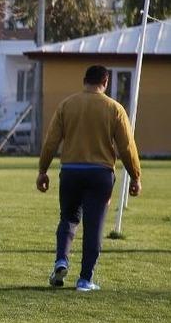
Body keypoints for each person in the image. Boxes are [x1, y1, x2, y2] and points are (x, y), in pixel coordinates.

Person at [37, 64, 142, 292]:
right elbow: (126, 147)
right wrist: (135, 176)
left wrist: (43, 170)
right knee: (93, 225)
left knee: (68, 218)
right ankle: (85, 279)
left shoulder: (67, 105)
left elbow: (51, 142)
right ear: (105, 83)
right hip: (100, 173)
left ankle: (61, 261)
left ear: (84, 81)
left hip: (71, 171)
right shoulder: (114, 108)